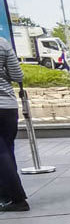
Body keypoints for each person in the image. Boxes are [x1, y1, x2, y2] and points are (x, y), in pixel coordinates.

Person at [0, 35, 29, 212]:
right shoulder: (3, 43)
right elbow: (17, 75)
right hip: (8, 106)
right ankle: (7, 195)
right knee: (7, 150)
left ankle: (17, 197)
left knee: (2, 153)